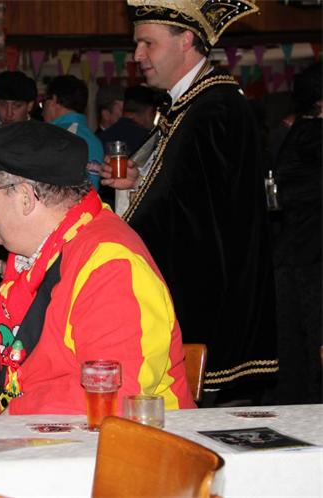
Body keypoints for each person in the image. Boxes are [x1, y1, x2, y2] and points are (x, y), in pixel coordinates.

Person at [103, 0, 276, 403]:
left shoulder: (212, 108)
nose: (137, 55)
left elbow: (184, 213)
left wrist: (106, 238)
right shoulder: (192, 105)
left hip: (210, 301)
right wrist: (135, 184)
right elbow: (186, 194)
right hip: (201, 290)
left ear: (186, 40)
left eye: (148, 43)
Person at [0, 120, 194, 415]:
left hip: (136, 440)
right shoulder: (40, 251)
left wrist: (18, 404)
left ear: (24, 197)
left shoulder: (111, 268)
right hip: (58, 436)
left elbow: (112, 391)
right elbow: (33, 339)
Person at [271, 62, 321, 404]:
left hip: (294, 252)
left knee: (297, 345)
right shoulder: (313, 135)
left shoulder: (299, 132)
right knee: (312, 343)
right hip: (311, 256)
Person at [43, 75, 104, 165]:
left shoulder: (54, 136)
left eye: (44, 101)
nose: (42, 112)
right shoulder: (95, 141)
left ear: (54, 100)